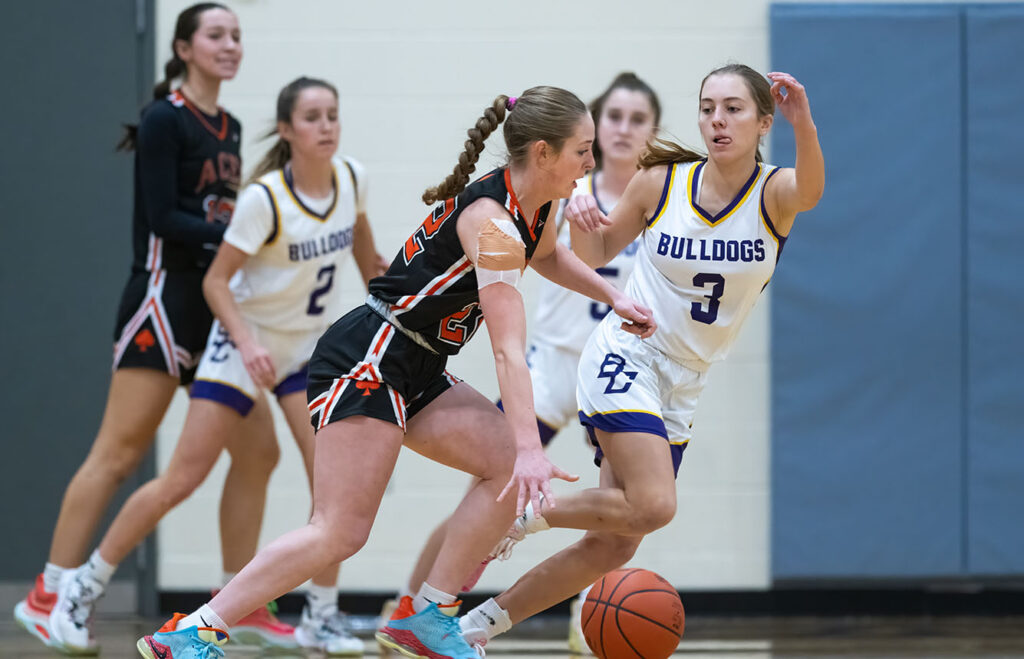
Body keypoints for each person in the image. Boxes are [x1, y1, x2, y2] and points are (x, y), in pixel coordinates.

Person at [134, 84, 656, 659]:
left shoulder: (536, 205)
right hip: (370, 354)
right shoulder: (493, 225)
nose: (591, 160)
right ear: (541, 153)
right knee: (339, 531)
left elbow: (552, 255)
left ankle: (427, 615)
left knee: (504, 467)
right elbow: (509, 351)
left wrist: (614, 296)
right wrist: (533, 446)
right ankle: (192, 631)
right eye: (582, 150)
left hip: (417, 360)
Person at [457, 65, 825, 647]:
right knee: (654, 505)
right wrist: (581, 222)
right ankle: (529, 514)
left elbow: (812, 190)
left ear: (763, 121)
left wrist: (804, 122)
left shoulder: (774, 192)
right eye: (707, 108)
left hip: (686, 378)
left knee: (614, 542)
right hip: (629, 352)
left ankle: (474, 628)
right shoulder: (661, 181)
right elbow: (597, 251)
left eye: (732, 108)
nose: (717, 120)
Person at [48, 76, 388, 656]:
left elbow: (365, 257)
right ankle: (81, 588)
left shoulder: (351, 178)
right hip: (244, 343)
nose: (326, 126)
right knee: (184, 476)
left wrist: (391, 315)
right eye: (312, 117)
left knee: (331, 487)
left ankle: (322, 617)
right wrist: (244, 342)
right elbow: (215, 281)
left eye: (332, 114)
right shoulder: (265, 198)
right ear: (286, 130)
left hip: (305, 351)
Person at [377, 71, 662, 656]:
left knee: (613, 506)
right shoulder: (565, 192)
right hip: (547, 366)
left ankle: (558, 615)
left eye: (639, 119)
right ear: (591, 132)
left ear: (653, 130)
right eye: (615, 119)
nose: (624, 130)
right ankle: (415, 606)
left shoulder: (654, 198)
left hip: (612, 372)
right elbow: (529, 290)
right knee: (497, 480)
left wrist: (617, 300)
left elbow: (556, 257)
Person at [11, 4, 255, 655]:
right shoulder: (163, 119)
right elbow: (163, 219)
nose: (230, 45)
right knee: (117, 454)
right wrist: (242, 236)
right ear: (183, 47)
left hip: (211, 308)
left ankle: (242, 599)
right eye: (216, 35)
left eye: (236, 36)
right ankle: (49, 593)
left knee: (258, 451)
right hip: (161, 303)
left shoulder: (229, 126)